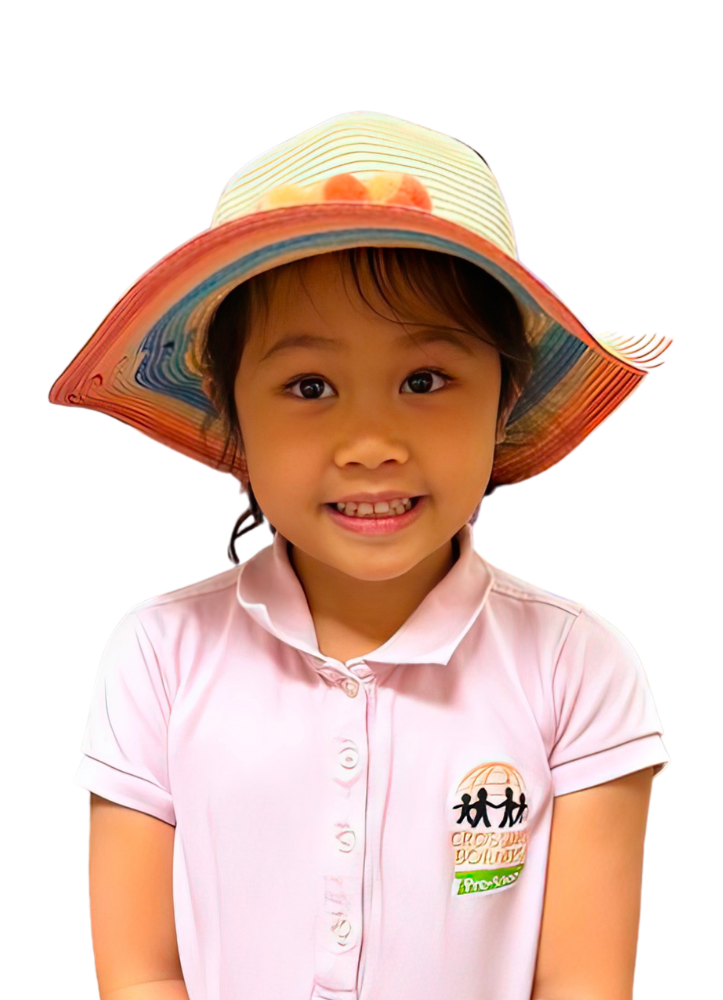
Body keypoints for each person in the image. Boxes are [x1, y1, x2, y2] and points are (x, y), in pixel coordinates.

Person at [50, 111, 673, 1000]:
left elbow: (584, 982)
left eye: (425, 380)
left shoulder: (580, 667)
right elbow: (141, 973)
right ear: (233, 415)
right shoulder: (158, 653)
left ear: (504, 400)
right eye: (309, 386)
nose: (371, 442)